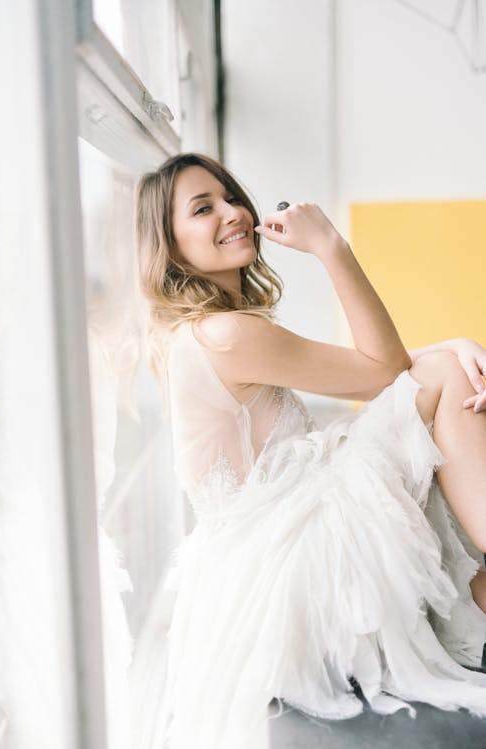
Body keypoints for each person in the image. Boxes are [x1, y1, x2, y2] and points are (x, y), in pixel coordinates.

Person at [135, 152, 486, 749]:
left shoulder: (201, 330)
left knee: (444, 378)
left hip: (258, 563)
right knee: (449, 382)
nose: (233, 213)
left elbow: (375, 371)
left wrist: (449, 344)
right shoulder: (226, 334)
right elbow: (384, 372)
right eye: (203, 208)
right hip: (298, 559)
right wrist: (330, 246)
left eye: (229, 197)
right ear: (169, 246)